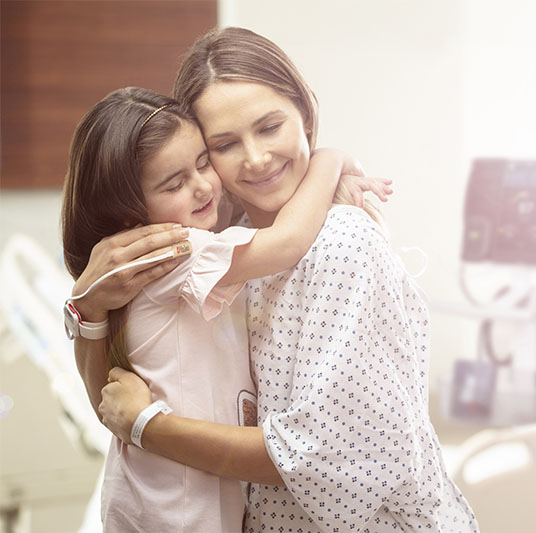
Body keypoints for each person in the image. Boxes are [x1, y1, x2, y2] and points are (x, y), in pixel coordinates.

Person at [77, 27, 479, 532]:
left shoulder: (340, 244)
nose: (256, 158)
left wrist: (149, 429)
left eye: (269, 127)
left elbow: (324, 462)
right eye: (223, 145)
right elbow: (112, 400)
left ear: (305, 115)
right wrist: (85, 308)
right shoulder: (231, 248)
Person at [61, 86, 390, 532]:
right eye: (175, 183)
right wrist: (329, 161)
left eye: (203, 163)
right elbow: (287, 243)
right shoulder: (177, 249)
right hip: (178, 509)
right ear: (130, 213)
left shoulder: (144, 259)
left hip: (153, 497)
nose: (203, 186)